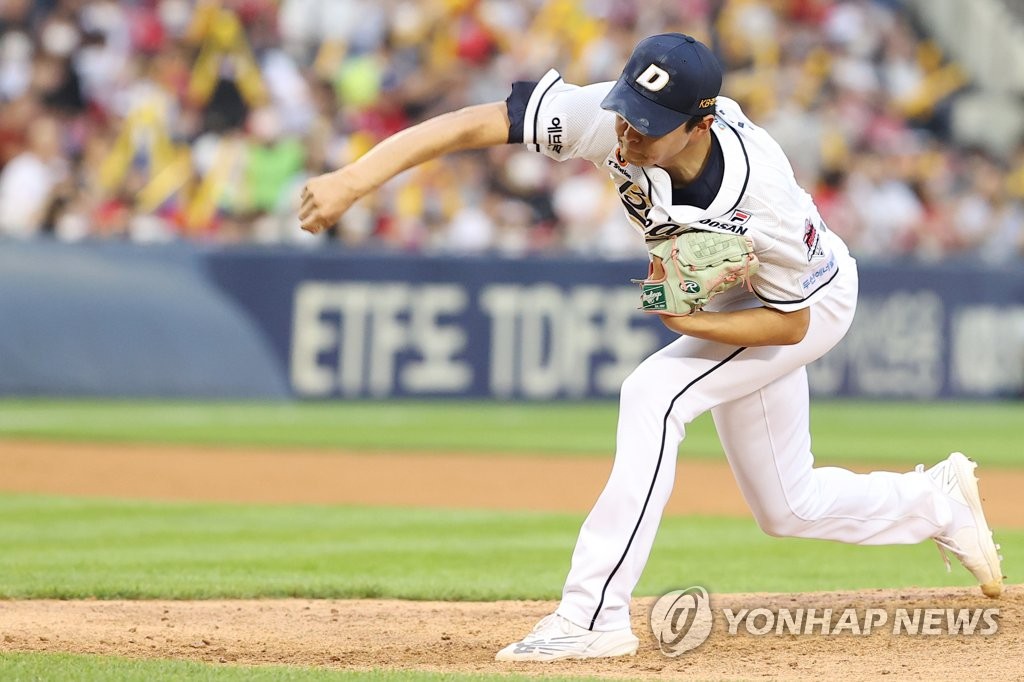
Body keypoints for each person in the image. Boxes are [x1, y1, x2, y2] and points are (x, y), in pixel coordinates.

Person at [299, 33, 1003, 661]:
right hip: (738, 299)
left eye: (649, 123)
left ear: (699, 123)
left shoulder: (767, 200)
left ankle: (592, 615)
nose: (628, 130)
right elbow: (478, 122)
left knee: (654, 394)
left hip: (804, 304)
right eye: (627, 108)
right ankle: (936, 503)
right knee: (788, 506)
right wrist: (352, 180)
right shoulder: (613, 117)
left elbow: (789, 325)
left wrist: (691, 327)